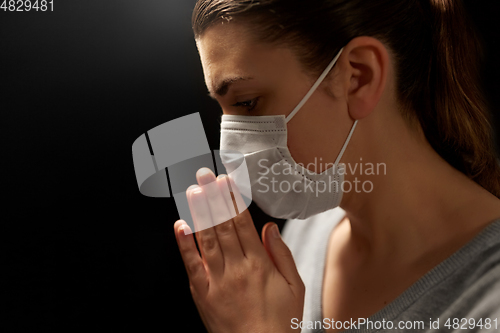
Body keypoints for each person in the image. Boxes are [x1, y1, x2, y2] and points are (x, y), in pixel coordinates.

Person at [174, 0, 500, 332]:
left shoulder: (489, 301)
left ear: (359, 76)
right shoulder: (309, 232)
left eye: (247, 103)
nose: (231, 151)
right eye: (225, 109)